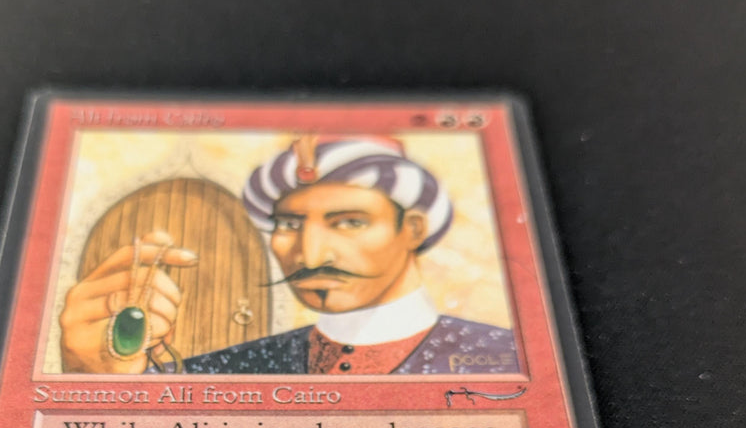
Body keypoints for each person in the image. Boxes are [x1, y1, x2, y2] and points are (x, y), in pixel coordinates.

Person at [59, 136, 519, 375]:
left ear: (412, 229)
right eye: (290, 225)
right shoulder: (232, 368)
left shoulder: (503, 357)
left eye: (349, 222)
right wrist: (100, 373)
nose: (310, 254)